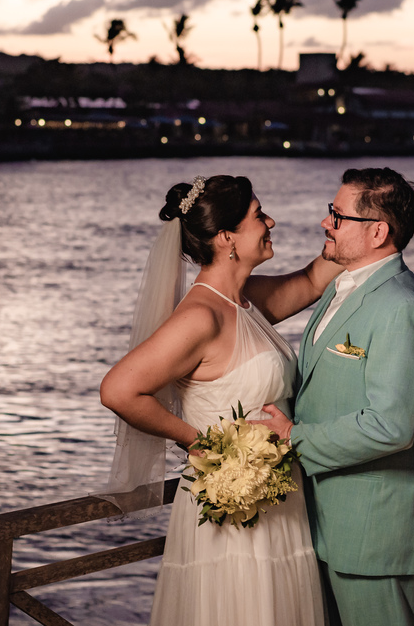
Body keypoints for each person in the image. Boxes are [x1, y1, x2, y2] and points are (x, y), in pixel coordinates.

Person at [100, 174, 341, 626]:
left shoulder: (245, 301)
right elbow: (118, 389)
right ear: (228, 236)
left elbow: (312, 281)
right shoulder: (200, 315)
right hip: (230, 504)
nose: (271, 220)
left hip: (277, 501)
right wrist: (202, 443)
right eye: (258, 215)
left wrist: (351, 230)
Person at [255, 167, 414, 626]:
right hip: (321, 521)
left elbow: (392, 425)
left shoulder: (402, 307)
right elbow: (318, 388)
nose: (326, 223)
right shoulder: (341, 286)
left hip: (371, 532)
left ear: (378, 231)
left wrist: (294, 437)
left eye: (337, 216)